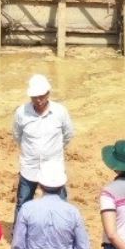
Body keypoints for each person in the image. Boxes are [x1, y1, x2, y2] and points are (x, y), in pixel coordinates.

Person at [13, 74, 74, 206]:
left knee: (60, 203)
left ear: (48, 94)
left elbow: (68, 134)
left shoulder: (60, 112)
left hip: (53, 167)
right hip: (30, 167)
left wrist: (54, 150)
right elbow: (17, 136)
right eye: (35, 97)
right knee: (23, 203)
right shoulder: (21, 113)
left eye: (41, 96)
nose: (39, 100)